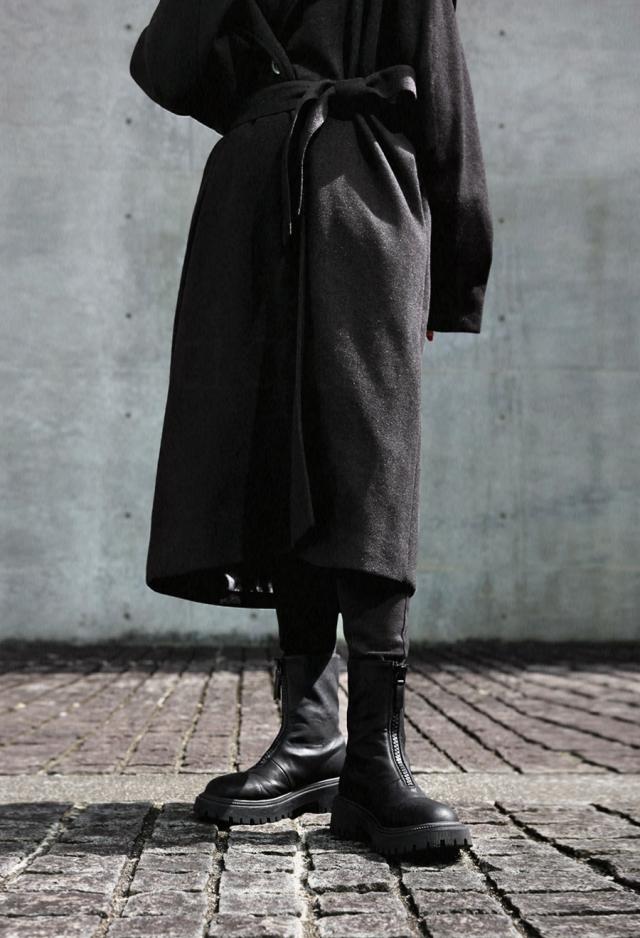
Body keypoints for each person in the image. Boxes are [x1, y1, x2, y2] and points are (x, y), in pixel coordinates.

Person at [129, 0, 493, 857]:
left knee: (366, 460)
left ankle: (375, 755)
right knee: (276, 457)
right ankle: (311, 735)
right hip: (253, 204)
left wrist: (452, 273)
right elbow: (163, 68)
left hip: (363, 193)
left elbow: (442, 97)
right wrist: (269, 107)